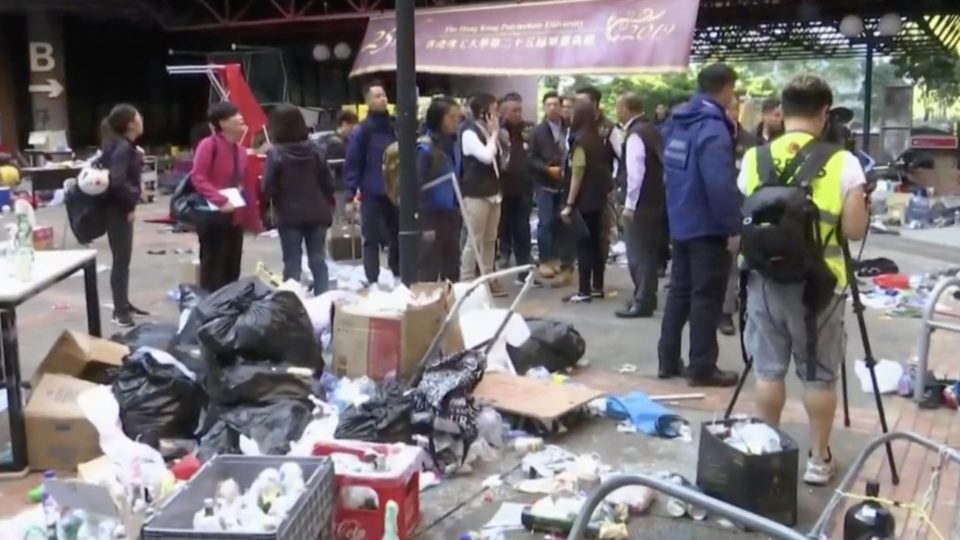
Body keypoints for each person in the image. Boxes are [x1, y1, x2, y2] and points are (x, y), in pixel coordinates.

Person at [738, 75, 868, 484]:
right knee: (818, 374)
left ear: (782, 108)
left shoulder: (754, 158)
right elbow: (854, 231)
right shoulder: (843, 162)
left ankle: (770, 454)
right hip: (820, 287)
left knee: (768, 371)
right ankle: (818, 459)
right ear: (824, 112)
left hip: (763, 281)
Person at [657, 63, 742, 387]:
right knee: (706, 296)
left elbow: (671, 167)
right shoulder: (712, 127)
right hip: (708, 224)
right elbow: (719, 182)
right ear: (725, 88)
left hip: (680, 218)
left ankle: (667, 359)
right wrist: (732, 226)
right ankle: (702, 366)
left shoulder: (678, 123)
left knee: (679, 291)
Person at [262, 104, 335, 295]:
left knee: (292, 262)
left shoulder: (276, 153)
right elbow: (328, 182)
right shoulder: (316, 150)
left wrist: (265, 209)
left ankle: (291, 302)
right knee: (318, 260)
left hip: (289, 215)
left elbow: (267, 186)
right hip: (317, 212)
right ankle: (323, 298)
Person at [190, 102, 255, 293]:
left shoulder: (240, 150)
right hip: (213, 216)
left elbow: (247, 186)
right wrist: (219, 199)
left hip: (234, 217)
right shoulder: (208, 145)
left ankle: (227, 308)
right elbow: (198, 177)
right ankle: (211, 310)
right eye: (235, 115)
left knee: (232, 267)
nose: (241, 118)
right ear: (222, 122)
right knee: (213, 268)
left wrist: (253, 219)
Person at [614, 93, 665, 319]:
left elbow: (635, 173)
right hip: (655, 201)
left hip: (641, 204)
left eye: (618, 107)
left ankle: (643, 300)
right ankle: (645, 296)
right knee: (649, 253)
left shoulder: (635, 135)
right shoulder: (652, 129)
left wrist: (629, 205)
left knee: (639, 254)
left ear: (625, 109)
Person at [344, 81, 399, 285]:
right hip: (372, 190)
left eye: (384, 95)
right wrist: (350, 193)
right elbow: (353, 162)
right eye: (377, 96)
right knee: (371, 238)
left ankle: (398, 272)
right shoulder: (363, 130)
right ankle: (372, 278)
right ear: (367, 101)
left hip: (395, 190)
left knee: (398, 235)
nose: (382, 99)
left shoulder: (394, 126)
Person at [561, 100, 613, 303]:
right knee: (597, 244)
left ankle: (583, 290)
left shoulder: (580, 141)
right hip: (598, 199)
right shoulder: (597, 139)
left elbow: (577, 173)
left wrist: (569, 204)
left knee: (584, 245)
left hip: (584, 202)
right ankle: (597, 287)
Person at [100, 104, 147, 328]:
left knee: (123, 260)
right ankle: (119, 312)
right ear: (130, 124)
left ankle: (124, 302)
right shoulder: (122, 148)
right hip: (117, 209)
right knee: (120, 260)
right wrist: (129, 205)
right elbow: (117, 181)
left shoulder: (124, 146)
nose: (141, 120)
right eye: (138, 117)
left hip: (118, 208)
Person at [719, 96, 760, 336]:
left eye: (734, 108)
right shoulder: (713, 136)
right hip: (716, 207)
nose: (730, 113)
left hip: (742, 208)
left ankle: (726, 313)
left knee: (734, 265)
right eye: (727, 108)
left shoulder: (749, 142)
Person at [460, 93, 507, 296]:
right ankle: (466, 281)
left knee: (490, 239)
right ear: (483, 112)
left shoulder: (486, 131)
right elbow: (487, 157)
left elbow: (499, 158)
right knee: (474, 239)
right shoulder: (469, 133)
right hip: (477, 192)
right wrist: (494, 134)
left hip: (494, 191)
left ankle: (488, 277)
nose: (497, 114)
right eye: (494, 110)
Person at [418, 96, 462, 282]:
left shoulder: (453, 143)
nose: (456, 122)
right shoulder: (425, 148)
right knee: (429, 265)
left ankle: (450, 304)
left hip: (450, 212)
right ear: (438, 118)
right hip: (430, 214)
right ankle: (427, 306)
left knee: (452, 264)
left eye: (458, 117)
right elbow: (417, 185)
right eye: (451, 117)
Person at [529, 91, 572, 280]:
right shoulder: (538, 131)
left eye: (556, 104)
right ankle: (545, 259)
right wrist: (547, 169)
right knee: (545, 222)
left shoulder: (568, 128)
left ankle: (557, 258)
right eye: (549, 105)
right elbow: (531, 157)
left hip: (564, 183)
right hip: (544, 182)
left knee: (560, 222)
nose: (552, 108)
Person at [497, 92, 535, 283]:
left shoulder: (527, 130)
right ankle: (503, 253)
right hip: (502, 188)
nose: (518, 114)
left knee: (522, 229)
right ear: (503, 113)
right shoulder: (497, 131)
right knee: (502, 225)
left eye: (520, 110)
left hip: (523, 188)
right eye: (514, 111)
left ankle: (524, 270)